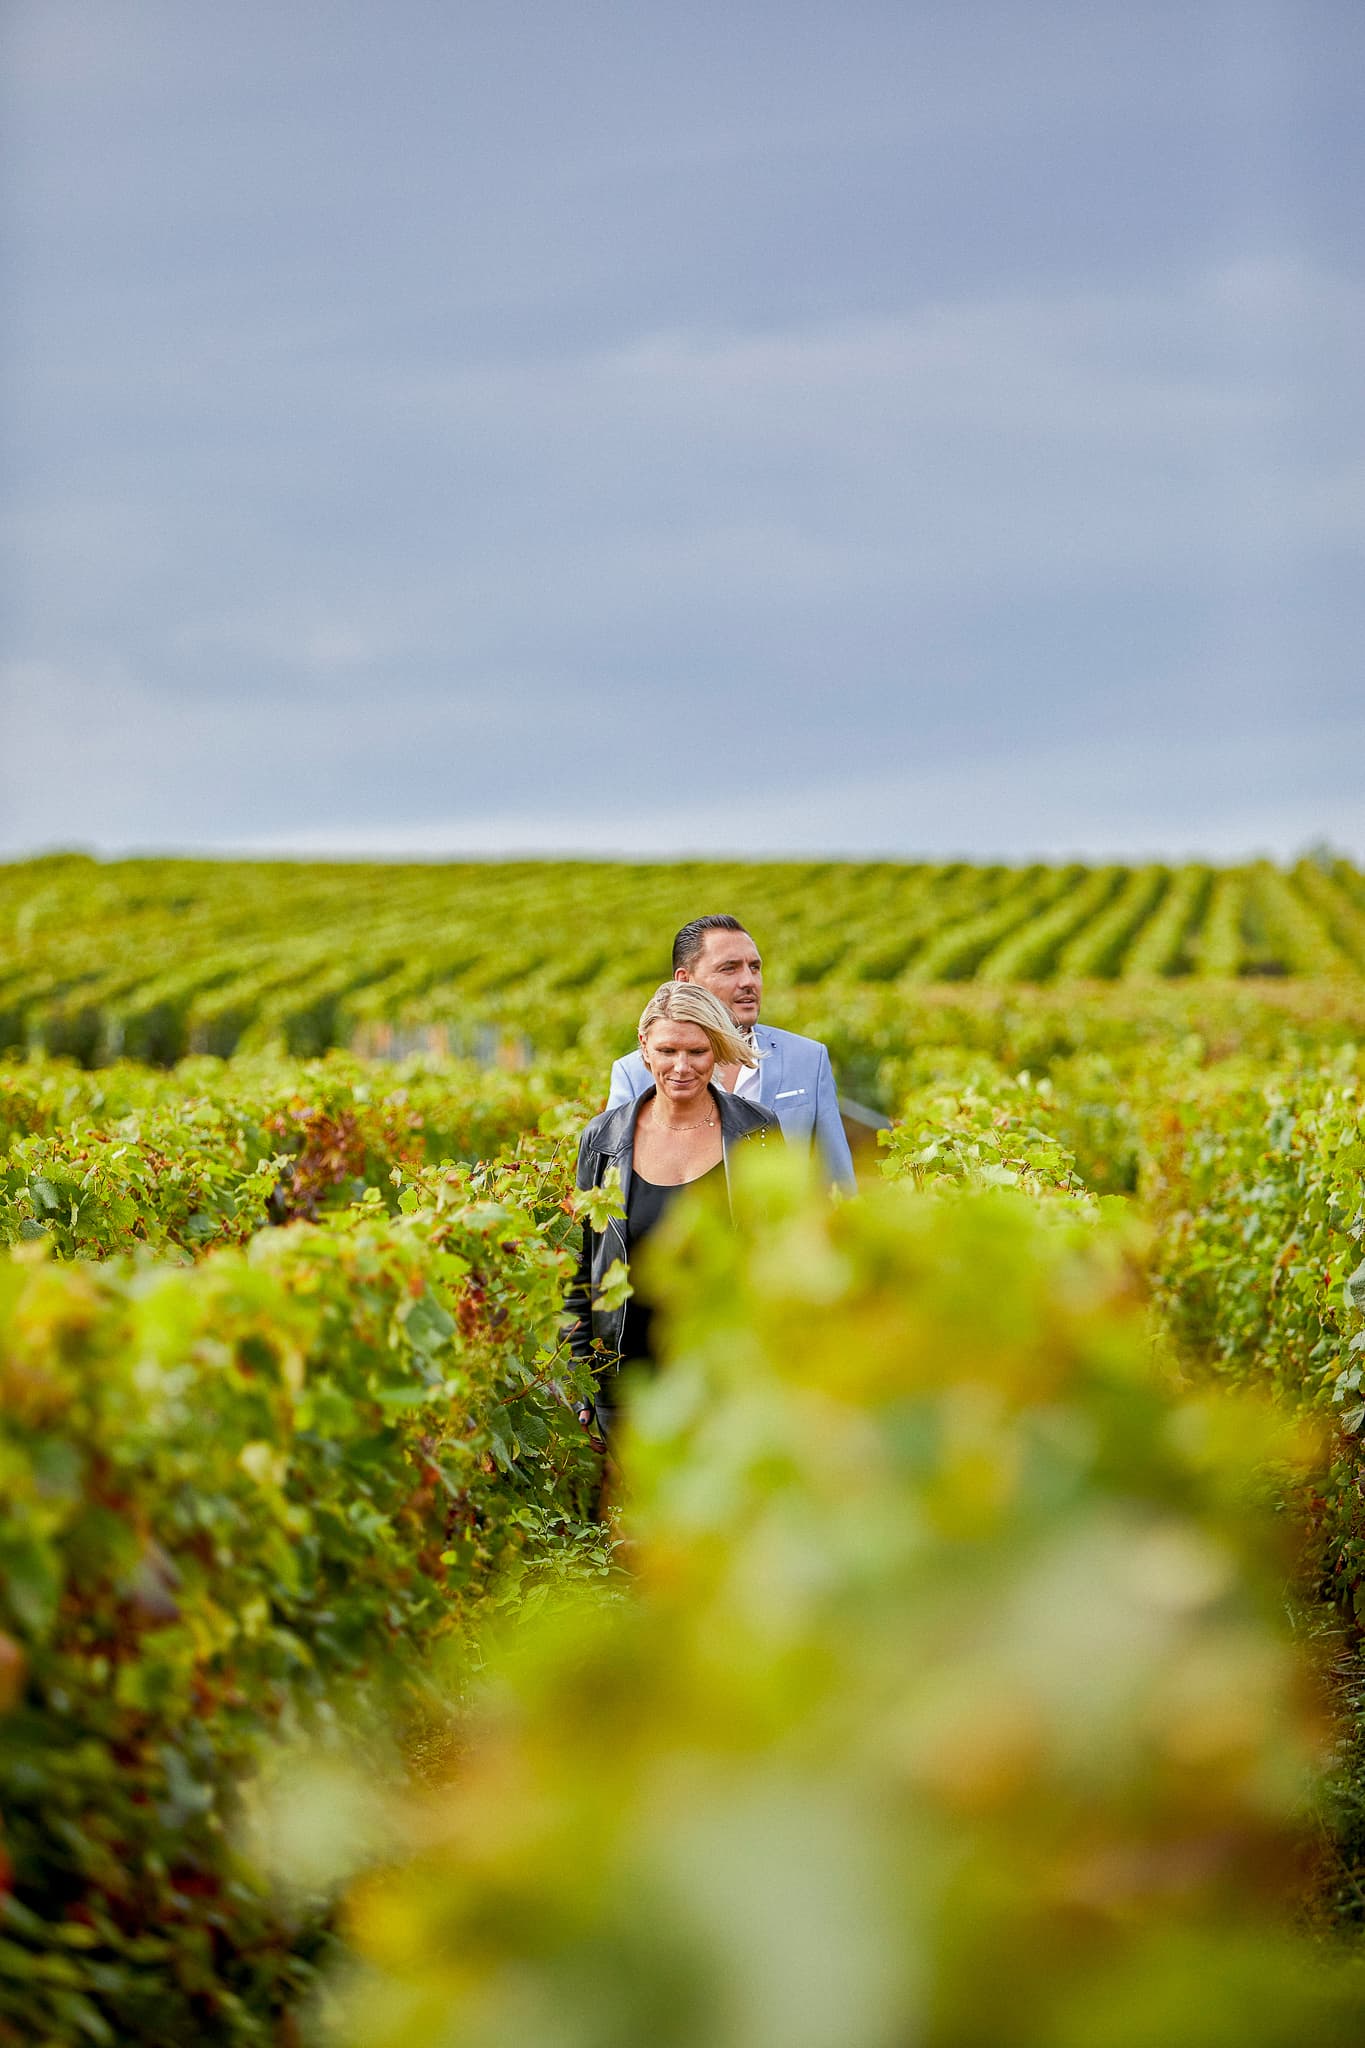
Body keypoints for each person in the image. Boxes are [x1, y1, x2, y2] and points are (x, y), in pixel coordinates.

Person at [567, 980, 781, 1439]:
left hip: (728, 1389)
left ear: (719, 1050)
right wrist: (582, 1383)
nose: (681, 1067)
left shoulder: (757, 1132)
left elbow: (776, 1257)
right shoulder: (603, 1140)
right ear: (644, 1048)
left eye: (697, 1052)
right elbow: (579, 1270)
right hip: (624, 1394)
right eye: (667, 1051)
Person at [605, 914, 856, 1192]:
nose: (749, 981)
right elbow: (613, 1188)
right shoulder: (634, 1074)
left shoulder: (809, 1059)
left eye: (755, 967)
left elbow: (838, 1183)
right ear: (685, 981)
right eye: (729, 969)